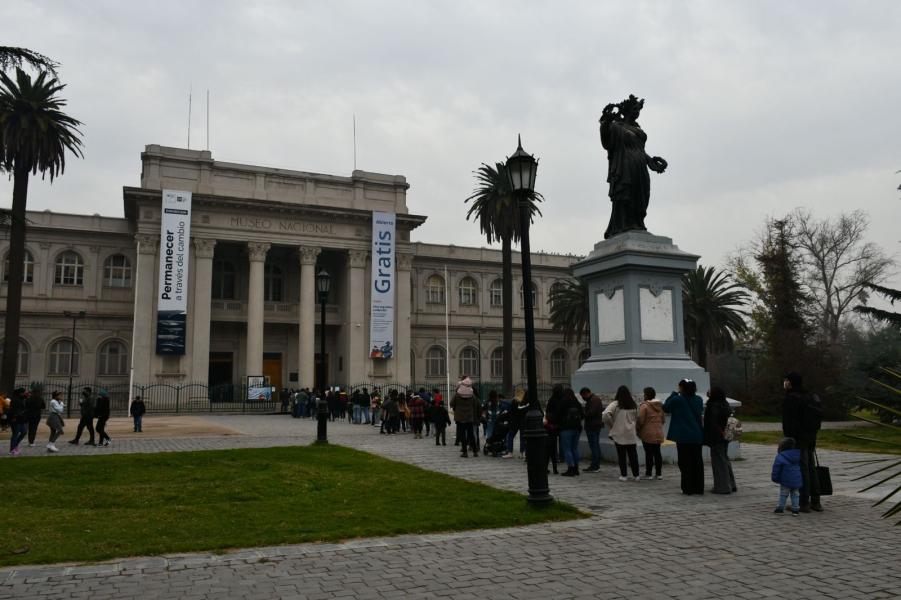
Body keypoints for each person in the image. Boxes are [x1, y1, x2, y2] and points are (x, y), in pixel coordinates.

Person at [599, 94, 668, 239]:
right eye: (635, 109)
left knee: (642, 196)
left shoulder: (637, 129)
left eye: (639, 110)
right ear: (627, 110)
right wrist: (606, 122)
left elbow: (641, 150)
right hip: (625, 166)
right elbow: (606, 142)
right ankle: (624, 225)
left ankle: (637, 223)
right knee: (626, 195)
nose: (637, 112)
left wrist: (652, 163)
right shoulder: (616, 126)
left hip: (640, 167)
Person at [782, 372, 823, 513]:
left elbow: (789, 422)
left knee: (802, 468)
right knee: (810, 467)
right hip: (811, 436)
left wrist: (789, 438)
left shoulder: (791, 398)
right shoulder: (811, 396)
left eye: (786, 381)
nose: (785, 383)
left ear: (790, 383)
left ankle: (803, 502)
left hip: (797, 438)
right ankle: (816, 501)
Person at [663, 379, 704, 495]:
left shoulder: (677, 399)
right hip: (697, 435)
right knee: (697, 462)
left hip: (684, 436)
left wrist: (673, 394)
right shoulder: (699, 399)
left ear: (682, 388)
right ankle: (698, 487)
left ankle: (687, 488)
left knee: (685, 463)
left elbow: (665, 407)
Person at [603, 385, 640, 481]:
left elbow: (605, 414)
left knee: (622, 455)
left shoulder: (616, 404)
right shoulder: (633, 404)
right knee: (633, 455)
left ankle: (624, 475)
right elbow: (637, 417)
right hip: (631, 433)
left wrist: (612, 425)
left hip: (619, 433)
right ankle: (636, 475)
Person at [704, 387, 737, 494]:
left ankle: (722, 486)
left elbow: (713, 423)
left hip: (716, 436)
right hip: (726, 435)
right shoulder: (725, 404)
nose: (708, 393)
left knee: (718, 462)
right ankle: (731, 484)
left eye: (710, 392)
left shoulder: (713, 406)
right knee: (724, 459)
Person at [636, 387, 665, 480]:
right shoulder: (660, 406)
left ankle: (649, 474)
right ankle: (659, 473)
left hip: (647, 433)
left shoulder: (644, 406)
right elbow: (663, 420)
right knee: (657, 453)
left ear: (646, 395)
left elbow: (640, 420)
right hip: (658, 432)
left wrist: (637, 429)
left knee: (649, 453)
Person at [771, 437, 803, 516]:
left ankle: (780, 508)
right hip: (797, 479)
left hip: (785, 480)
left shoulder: (780, 456)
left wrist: (774, 478)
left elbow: (776, 468)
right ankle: (795, 510)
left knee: (783, 494)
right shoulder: (798, 454)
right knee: (795, 494)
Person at [557, 388, 584, 477]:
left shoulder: (563, 402)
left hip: (566, 428)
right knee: (574, 449)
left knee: (567, 449)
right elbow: (583, 415)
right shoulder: (576, 402)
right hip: (576, 428)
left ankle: (570, 468)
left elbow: (559, 414)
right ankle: (576, 468)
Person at [450, 376, 479, 457]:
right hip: (469, 417)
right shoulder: (472, 395)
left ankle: (465, 452)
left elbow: (451, 403)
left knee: (463, 435)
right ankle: (475, 451)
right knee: (471, 435)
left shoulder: (457, 395)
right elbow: (475, 404)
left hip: (460, 418)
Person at [580, 387, 605, 473]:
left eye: (583, 396)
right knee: (595, 445)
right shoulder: (593, 399)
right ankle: (595, 464)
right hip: (593, 426)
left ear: (587, 393)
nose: (583, 398)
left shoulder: (594, 400)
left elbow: (591, 413)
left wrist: (583, 414)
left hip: (593, 426)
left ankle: (595, 465)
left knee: (594, 445)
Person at [544, 385, 565, 474]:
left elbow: (548, 412)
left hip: (552, 426)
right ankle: (560, 458)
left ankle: (551, 464)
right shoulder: (564, 400)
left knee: (551, 448)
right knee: (562, 442)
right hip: (562, 424)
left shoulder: (551, 400)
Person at [503, 389, 529, 459]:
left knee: (510, 436)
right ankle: (522, 453)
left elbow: (510, 412)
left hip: (514, 422)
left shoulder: (514, 401)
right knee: (522, 437)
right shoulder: (525, 402)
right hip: (523, 422)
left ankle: (510, 452)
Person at [7, 387, 27, 456]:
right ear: (20, 393)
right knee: (15, 434)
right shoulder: (15, 400)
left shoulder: (21, 399)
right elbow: (13, 410)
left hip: (21, 419)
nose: (25, 393)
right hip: (15, 419)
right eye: (24, 392)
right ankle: (12, 450)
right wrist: (15, 416)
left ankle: (15, 445)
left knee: (24, 432)